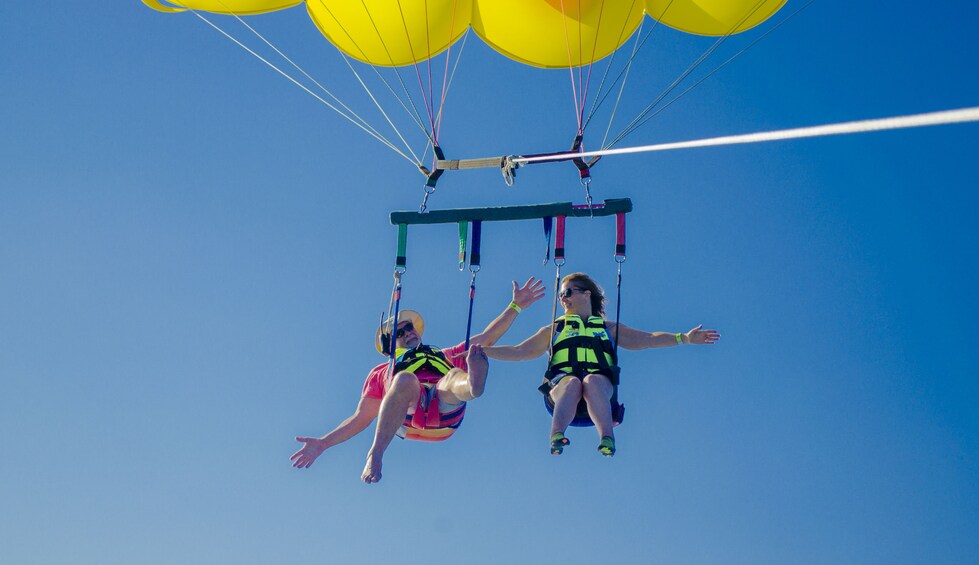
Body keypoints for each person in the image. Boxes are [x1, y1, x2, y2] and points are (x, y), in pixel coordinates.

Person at [291, 277, 545, 483]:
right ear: (389, 344)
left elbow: (488, 337)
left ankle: (473, 385)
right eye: (400, 333)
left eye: (410, 328)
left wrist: (516, 306)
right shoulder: (381, 373)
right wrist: (324, 443)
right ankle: (376, 454)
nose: (408, 333)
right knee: (404, 380)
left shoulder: (445, 355)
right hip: (406, 418)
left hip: (446, 412)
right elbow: (362, 417)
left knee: (453, 376)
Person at [482, 272, 719, 458]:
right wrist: (483, 351)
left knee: (591, 380)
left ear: (587, 294)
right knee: (573, 382)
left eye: (567, 292)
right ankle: (556, 435)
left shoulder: (608, 328)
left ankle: (607, 438)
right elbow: (520, 351)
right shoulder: (555, 329)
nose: (562, 298)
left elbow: (648, 339)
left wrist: (683, 338)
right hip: (562, 393)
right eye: (561, 295)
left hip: (601, 393)